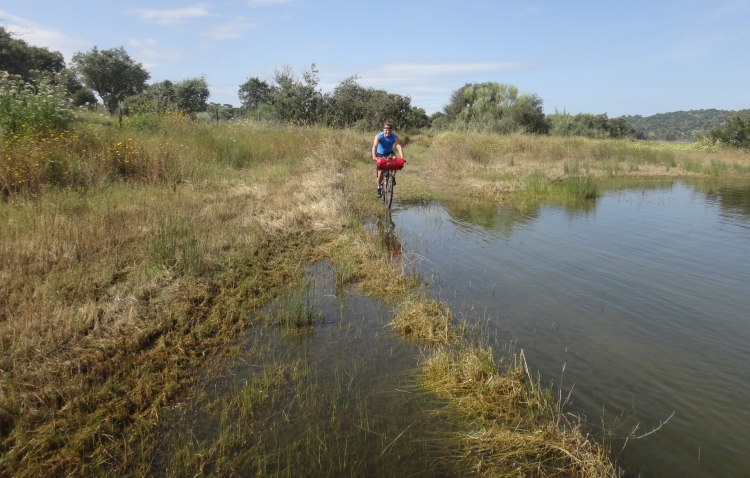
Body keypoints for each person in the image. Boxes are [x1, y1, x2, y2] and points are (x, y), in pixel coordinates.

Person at [372, 122, 404, 197]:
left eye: (389, 130)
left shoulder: (394, 136)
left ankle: (393, 177)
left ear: (391, 130)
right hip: (380, 153)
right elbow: (374, 146)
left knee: (396, 161)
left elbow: (398, 146)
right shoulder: (379, 136)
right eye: (386, 129)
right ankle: (379, 187)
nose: (387, 131)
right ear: (383, 130)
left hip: (390, 152)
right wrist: (374, 156)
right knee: (381, 171)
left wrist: (402, 158)